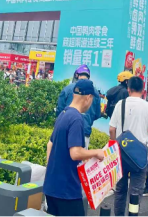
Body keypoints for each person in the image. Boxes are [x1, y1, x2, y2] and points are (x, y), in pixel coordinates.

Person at [45, 79, 106, 216]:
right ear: (88, 98)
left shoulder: (64, 114)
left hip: (52, 186)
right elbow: (75, 152)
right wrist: (96, 152)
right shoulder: (77, 119)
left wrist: (52, 171)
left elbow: (50, 144)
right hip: (67, 190)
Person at [109, 76, 148, 217]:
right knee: (136, 192)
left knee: (120, 190)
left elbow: (112, 129)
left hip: (121, 154)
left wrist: (114, 145)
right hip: (140, 156)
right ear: (143, 90)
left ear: (128, 89)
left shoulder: (120, 104)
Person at [56, 65, 101, 145]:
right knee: (81, 153)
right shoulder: (95, 93)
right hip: (85, 131)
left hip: (66, 130)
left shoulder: (67, 89)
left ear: (76, 75)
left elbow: (60, 110)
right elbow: (97, 114)